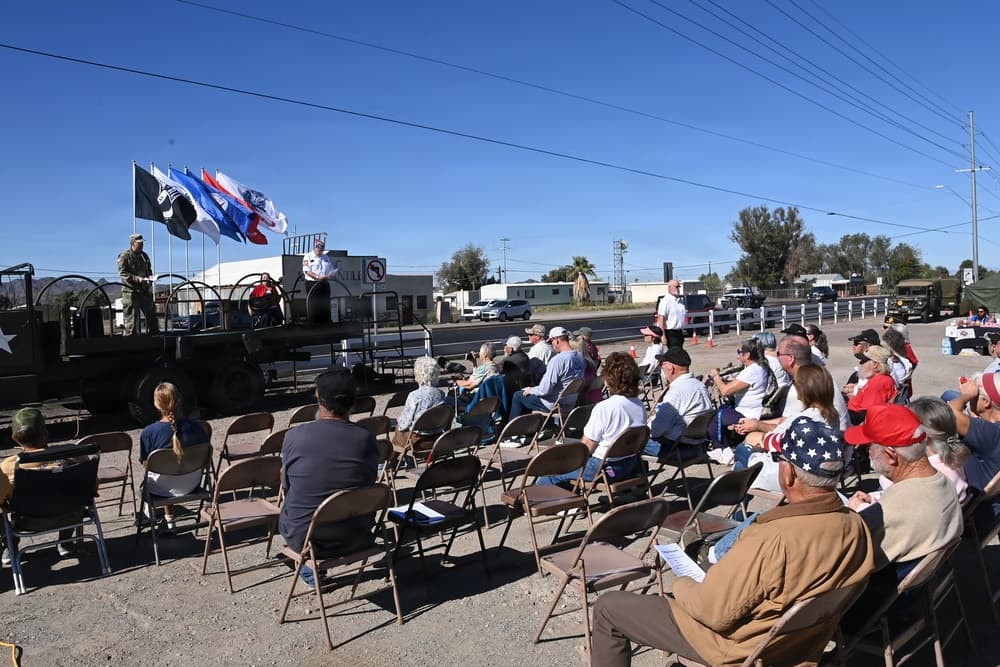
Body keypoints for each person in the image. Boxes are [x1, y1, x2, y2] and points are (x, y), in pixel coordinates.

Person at [591, 415, 874, 667]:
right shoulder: (854, 524)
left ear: (788, 473)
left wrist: (682, 582)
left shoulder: (773, 537)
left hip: (737, 648)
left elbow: (711, 611)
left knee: (609, 607)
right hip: (795, 643)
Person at [279, 369, 378, 588]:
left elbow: (287, 486)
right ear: (353, 402)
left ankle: (308, 570)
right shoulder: (366, 438)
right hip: (357, 534)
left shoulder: (295, 436)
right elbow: (368, 481)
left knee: (291, 504)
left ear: (318, 398)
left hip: (309, 539)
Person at [844, 404, 963, 571]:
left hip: (883, 590)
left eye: (868, 447)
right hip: (925, 582)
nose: (868, 453)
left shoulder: (886, 514)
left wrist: (860, 513)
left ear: (890, 455)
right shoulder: (945, 481)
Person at [537, 352, 645, 486]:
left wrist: (564, 459)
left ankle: (546, 503)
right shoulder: (639, 404)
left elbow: (587, 447)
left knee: (550, 472)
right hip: (630, 464)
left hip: (602, 467)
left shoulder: (605, 407)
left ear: (608, 378)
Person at [732, 364, 841, 493]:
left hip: (793, 476)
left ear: (803, 389)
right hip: (820, 472)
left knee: (742, 455)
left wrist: (759, 436)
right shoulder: (831, 415)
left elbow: (773, 442)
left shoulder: (804, 420)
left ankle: (739, 508)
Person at [0, 408, 91, 563]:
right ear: (46, 431)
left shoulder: (8, 466)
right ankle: (65, 543)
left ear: (15, 438)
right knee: (71, 497)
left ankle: (10, 545)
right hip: (71, 516)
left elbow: (1, 499)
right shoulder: (75, 454)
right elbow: (91, 488)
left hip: (28, 521)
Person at [138, 382, 209, 530]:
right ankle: (167, 518)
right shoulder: (198, 427)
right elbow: (206, 461)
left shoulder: (148, 433)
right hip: (192, 484)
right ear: (180, 400)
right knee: (172, 468)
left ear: (156, 404)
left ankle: (162, 519)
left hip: (162, 488)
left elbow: (147, 466)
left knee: (158, 476)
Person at [706, 338, 774, 463]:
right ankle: (725, 445)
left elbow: (726, 391)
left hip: (748, 414)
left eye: (739, 352)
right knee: (723, 409)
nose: (737, 356)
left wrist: (715, 376)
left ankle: (722, 451)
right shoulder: (762, 367)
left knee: (714, 417)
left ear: (747, 355)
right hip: (752, 409)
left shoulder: (752, 371)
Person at [642, 347, 713, 460]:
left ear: (671, 368)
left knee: (630, 444)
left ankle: (634, 474)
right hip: (699, 445)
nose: (661, 368)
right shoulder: (700, 386)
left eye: (662, 364)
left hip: (677, 449)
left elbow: (656, 430)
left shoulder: (676, 392)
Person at [948, 373, 1000, 523]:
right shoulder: (991, 430)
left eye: (975, 396)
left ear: (986, 402)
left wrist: (966, 396)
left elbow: (948, 413)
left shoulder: (990, 434)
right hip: (990, 511)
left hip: (969, 518)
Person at [508, 326, 584, 419]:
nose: (552, 344)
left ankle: (516, 431)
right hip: (571, 402)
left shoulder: (558, 360)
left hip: (554, 404)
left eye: (551, 341)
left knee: (519, 395)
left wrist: (531, 390)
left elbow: (545, 390)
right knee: (529, 394)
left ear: (557, 340)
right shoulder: (580, 357)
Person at [393, 356, 447, 448]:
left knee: (397, 433)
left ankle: (393, 460)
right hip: (435, 437)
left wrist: (400, 420)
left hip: (417, 441)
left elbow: (404, 425)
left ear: (418, 374)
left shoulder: (414, 396)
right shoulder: (441, 394)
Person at [117, 233, 159, 335]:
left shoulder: (144, 256)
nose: (141, 245)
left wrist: (150, 278)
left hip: (144, 290)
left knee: (151, 315)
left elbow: (148, 270)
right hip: (130, 291)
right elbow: (123, 273)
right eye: (139, 243)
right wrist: (137, 279)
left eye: (142, 243)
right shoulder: (124, 256)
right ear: (133, 244)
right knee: (132, 319)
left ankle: (155, 336)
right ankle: (131, 340)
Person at [844, 345, 897, 424]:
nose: (860, 364)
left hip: (854, 421)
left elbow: (867, 414)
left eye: (863, 361)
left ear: (875, 364)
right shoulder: (880, 379)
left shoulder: (878, 384)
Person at [302, 239, 337, 323]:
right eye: (318, 249)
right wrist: (317, 277)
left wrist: (332, 274)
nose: (320, 251)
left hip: (324, 283)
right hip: (313, 283)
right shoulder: (308, 256)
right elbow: (307, 271)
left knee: (325, 305)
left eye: (322, 249)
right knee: (314, 306)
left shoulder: (326, 257)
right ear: (315, 247)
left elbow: (330, 269)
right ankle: (314, 324)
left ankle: (326, 323)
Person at [655, 279, 686, 349]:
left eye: (679, 287)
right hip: (670, 333)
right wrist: (663, 336)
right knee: (674, 354)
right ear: (669, 287)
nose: (678, 289)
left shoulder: (680, 301)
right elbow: (661, 319)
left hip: (679, 332)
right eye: (676, 287)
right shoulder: (665, 301)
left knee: (679, 354)